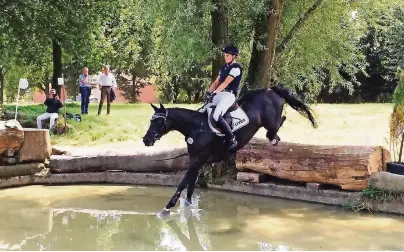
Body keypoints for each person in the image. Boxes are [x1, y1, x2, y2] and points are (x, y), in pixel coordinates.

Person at [199, 45, 243, 151]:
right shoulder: (224, 68)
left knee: (216, 115)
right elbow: (216, 82)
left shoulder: (236, 68)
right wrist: (208, 93)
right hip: (219, 94)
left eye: (227, 55)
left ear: (234, 56)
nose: (225, 57)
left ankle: (231, 138)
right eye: (225, 55)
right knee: (202, 110)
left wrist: (215, 92)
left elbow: (227, 82)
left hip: (229, 95)